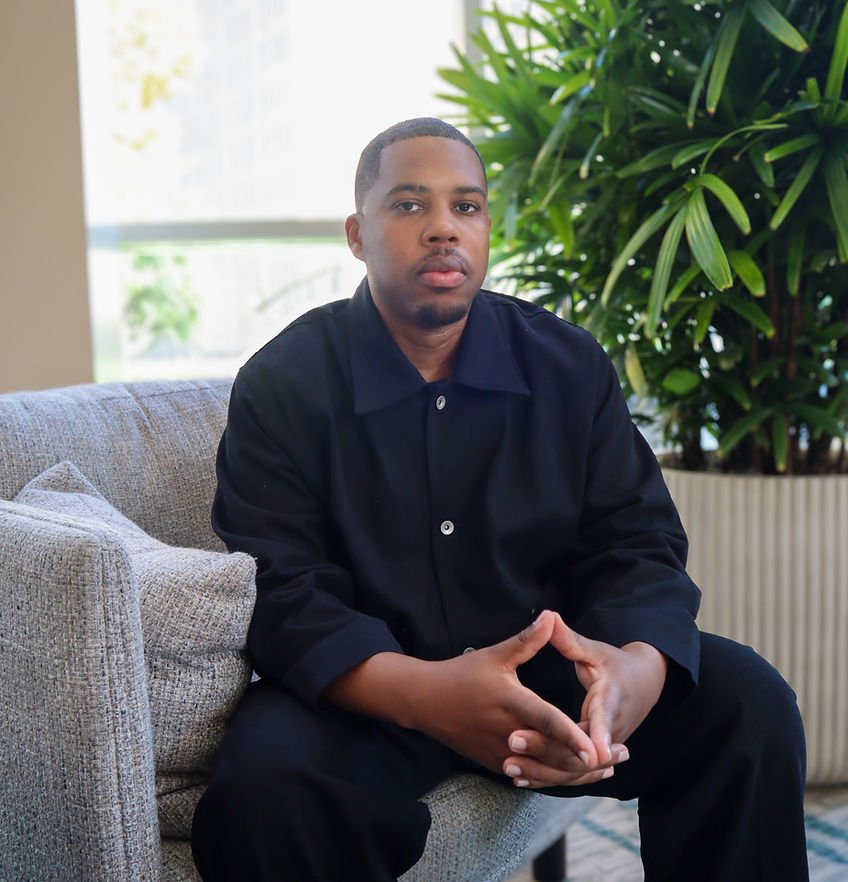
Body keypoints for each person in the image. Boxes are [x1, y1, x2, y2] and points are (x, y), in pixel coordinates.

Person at [191, 117, 809, 881]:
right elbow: (278, 588)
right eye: (410, 206)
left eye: (468, 207)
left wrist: (631, 672)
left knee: (748, 704)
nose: (443, 228)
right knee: (263, 793)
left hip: (552, 679)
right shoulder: (284, 382)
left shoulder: (568, 365)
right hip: (371, 692)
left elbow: (636, 541)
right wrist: (426, 693)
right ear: (357, 233)